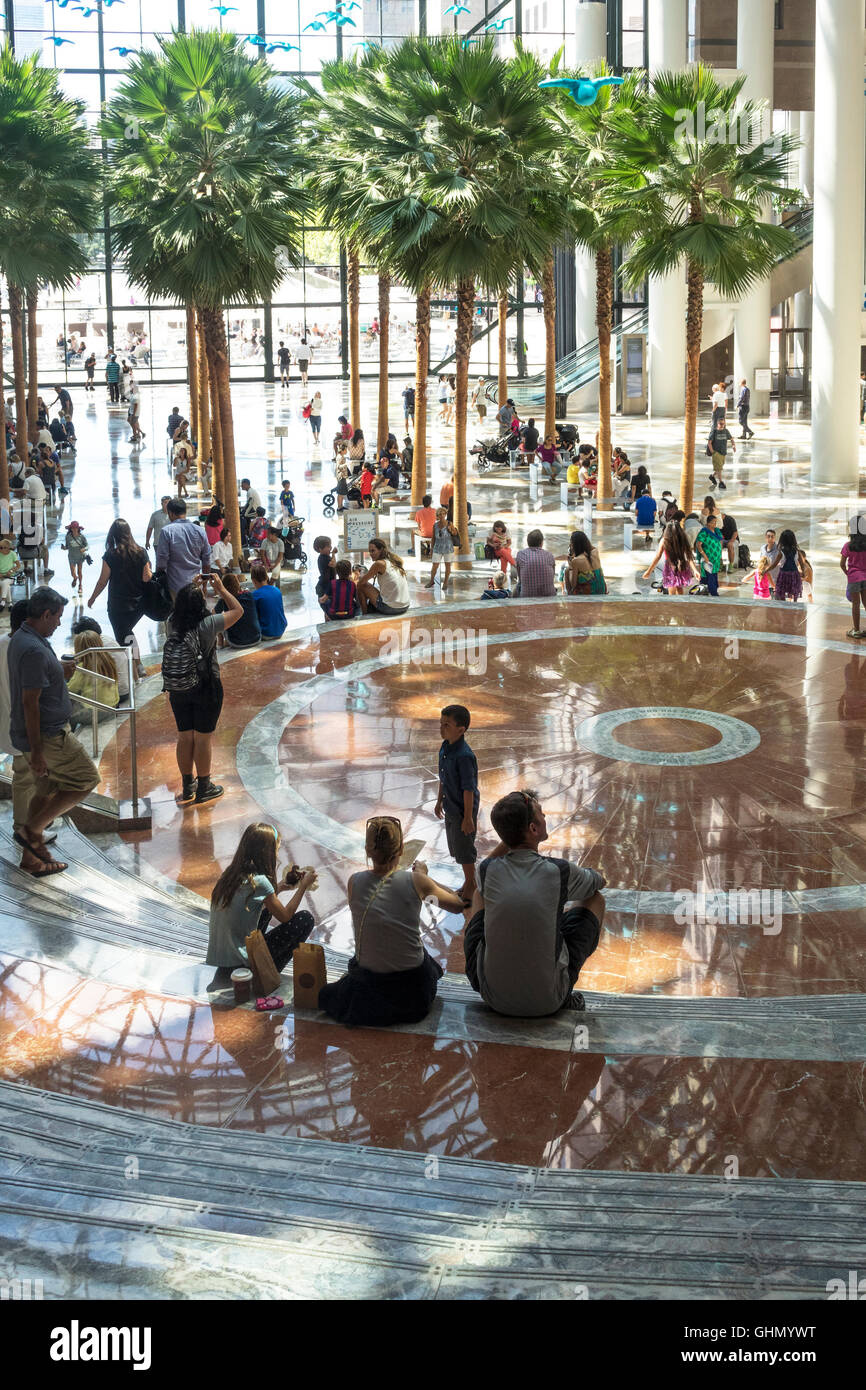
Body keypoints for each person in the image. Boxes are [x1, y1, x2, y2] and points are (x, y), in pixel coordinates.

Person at [464, 789, 606, 1016]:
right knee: (595, 899)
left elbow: (480, 879)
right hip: (549, 1002)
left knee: (480, 895)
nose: (545, 816)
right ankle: (565, 988)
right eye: (540, 813)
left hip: (493, 998)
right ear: (533, 828)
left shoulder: (486, 869)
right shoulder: (559, 871)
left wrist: (509, 836)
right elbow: (599, 883)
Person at [317, 815, 464, 1029]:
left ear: (368, 850)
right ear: (402, 849)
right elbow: (457, 905)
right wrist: (425, 877)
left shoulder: (354, 882)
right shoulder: (416, 881)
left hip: (367, 988)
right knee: (428, 962)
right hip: (412, 995)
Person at [8, 586, 100, 875]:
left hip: (41, 735)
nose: (60, 623)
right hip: (49, 737)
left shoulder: (24, 637)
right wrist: (37, 752)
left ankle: (31, 859)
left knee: (45, 791)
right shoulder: (33, 649)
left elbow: (35, 685)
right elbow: (30, 703)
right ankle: (32, 831)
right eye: (57, 617)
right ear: (45, 614)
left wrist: (58, 670)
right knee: (86, 778)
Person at [163, 575, 241, 805]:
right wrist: (221, 588)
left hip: (178, 687)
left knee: (185, 737)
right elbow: (238, 610)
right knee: (203, 739)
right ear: (201, 604)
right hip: (206, 686)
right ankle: (205, 786)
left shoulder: (171, 622)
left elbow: (184, 605)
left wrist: (193, 587)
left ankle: (188, 786)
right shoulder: (209, 624)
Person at [207, 822, 316, 973]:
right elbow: (285, 916)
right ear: (268, 852)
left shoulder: (230, 873)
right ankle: (268, 970)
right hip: (242, 961)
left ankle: (258, 966)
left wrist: (280, 887)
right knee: (305, 919)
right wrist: (303, 886)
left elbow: (257, 899)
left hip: (222, 958)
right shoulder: (261, 883)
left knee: (264, 910)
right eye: (277, 849)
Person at [87, 519, 152, 680]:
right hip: (138, 604)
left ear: (113, 535)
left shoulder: (111, 555)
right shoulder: (141, 552)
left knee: (123, 639)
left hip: (118, 606)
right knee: (128, 634)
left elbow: (103, 581)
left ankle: (135, 676)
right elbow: (147, 578)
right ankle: (139, 665)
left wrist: (92, 598)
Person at [435, 704, 479, 903]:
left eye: (447, 725)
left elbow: (468, 789)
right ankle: (468, 881)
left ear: (461, 730)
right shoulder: (445, 747)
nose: (442, 728)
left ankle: (472, 884)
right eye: (441, 723)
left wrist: (468, 817)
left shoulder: (464, 756)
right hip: (450, 805)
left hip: (462, 810)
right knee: (456, 847)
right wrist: (439, 801)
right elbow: (443, 778)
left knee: (464, 848)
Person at [156, 498, 211, 599]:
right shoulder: (200, 531)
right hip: (195, 585)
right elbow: (206, 559)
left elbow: (161, 562)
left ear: (171, 513)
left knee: (178, 613)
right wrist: (204, 584)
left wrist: (159, 582)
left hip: (175, 586)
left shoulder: (167, 531)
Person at [67, 630, 120, 728]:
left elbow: (70, 690)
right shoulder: (109, 661)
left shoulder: (83, 667)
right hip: (112, 707)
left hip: (95, 712)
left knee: (64, 714)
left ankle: (69, 736)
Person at [642, 522, 699, 596]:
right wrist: (695, 570)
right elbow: (689, 556)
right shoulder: (683, 540)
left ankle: (673, 605)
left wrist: (649, 571)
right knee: (679, 588)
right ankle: (681, 604)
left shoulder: (665, 541)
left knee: (671, 591)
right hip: (681, 566)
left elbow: (658, 557)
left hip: (670, 567)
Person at [356, 539, 410, 616]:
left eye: (373, 551)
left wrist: (359, 574)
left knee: (361, 586)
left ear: (381, 550)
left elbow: (361, 582)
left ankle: (364, 615)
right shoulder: (392, 561)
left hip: (392, 608)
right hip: (405, 605)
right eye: (369, 551)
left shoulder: (379, 564)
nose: (370, 554)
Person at [215, 572, 260, 648]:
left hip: (237, 642)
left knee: (218, 618)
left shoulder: (223, 601)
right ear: (238, 584)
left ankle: (220, 641)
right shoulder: (248, 595)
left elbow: (214, 615)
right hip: (256, 639)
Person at [841, 518, 866, 638]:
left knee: (856, 604)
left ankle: (856, 630)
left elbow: (842, 564)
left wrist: (848, 572)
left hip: (854, 578)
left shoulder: (848, 546)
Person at [249, 563, 287, 639]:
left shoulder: (255, 595)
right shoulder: (277, 590)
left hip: (266, 632)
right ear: (266, 577)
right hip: (281, 629)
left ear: (253, 581)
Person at [563, 530, 607, 595]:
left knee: (567, 571)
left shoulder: (576, 561)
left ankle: (569, 599)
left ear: (574, 545)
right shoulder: (595, 551)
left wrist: (571, 566)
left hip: (589, 593)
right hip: (602, 590)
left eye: (571, 543)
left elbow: (573, 585)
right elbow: (589, 549)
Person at [515, 529, 556, 597]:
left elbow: (520, 577)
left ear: (528, 542)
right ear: (541, 543)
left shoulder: (520, 554)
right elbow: (552, 576)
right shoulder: (549, 555)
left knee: (518, 587)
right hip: (549, 596)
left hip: (527, 596)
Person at [425, 508, 456, 590]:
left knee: (447, 566)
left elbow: (455, 533)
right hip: (437, 547)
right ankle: (431, 580)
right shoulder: (435, 525)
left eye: (443, 514)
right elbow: (433, 538)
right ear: (437, 516)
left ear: (445, 514)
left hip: (448, 547)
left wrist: (450, 530)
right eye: (439, 514)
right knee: (434, 566)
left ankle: (445, 582)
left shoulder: (449, 523)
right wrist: (431, 549)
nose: (442, 516)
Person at [695, 512, 724, 596]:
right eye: (713, 522)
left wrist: (720, 554)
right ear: (708, 523)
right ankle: (714, 593)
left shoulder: (717, 531)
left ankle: (704, 590)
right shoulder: (704, 532)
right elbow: (698, 545)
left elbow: (720, 542)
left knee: (714, 574)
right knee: (710, 575)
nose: (715, 524)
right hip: (708, 558)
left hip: (716, 558)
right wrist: (704, 555)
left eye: (715, 522)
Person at [773, 529, 805, 603]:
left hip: (783, 575)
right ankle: (794, 604)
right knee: (794, 592)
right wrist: (803, 572)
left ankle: (784, 607)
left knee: (781, 593)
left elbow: (774, 565)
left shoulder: (781, 553)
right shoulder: (797, 551)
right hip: (794, 574)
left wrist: (766, 570)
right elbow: (802, 564)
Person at [61, 521, 89, 597]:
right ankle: (75, 578)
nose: (74, 529)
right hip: (71, 557)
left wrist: (84, 549)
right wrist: (64, 548)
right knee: (73, 573)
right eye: (72, 528)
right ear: (71, 528)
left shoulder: (82, 536)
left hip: (80, 557)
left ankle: (80, 585)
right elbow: (67, 547)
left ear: (78, 528)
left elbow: (87, 546)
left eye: (75, 528)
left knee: (79, 571)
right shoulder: (68, 536)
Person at [707, 414, 735, 490]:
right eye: (720, 423)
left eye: (723, 423)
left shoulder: (726, 431)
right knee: (719, 468)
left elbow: (731, 439)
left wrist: (733, 446)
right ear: (717, 424)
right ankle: (721, 482)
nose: (722, 425)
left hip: (723, 452)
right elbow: (709, 442)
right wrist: (713, 452)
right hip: (716, 453)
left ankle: (712, 476)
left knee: (720, 467)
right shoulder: (714, 432)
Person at [0, 537, 22, 610]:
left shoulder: (12, 554)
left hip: (10, 576)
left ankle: (2, 602)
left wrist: (11, 571)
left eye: (3, 547)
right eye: (0, 547)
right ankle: (10, 603)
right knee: (7, 586)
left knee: (5, 582)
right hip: (1, 576)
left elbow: (18, 565)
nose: (1, 549)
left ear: (8, 548)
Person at [239, 478, 262, 546]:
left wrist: (243, 511)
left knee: (242, 518)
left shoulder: (250, 492)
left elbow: (249, 505)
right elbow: (248, 504)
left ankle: (246, 536)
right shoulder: (251, 491)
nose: (241, 486)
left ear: (246, 484)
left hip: (254, 510)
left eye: (242, 484)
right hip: (254, 509)